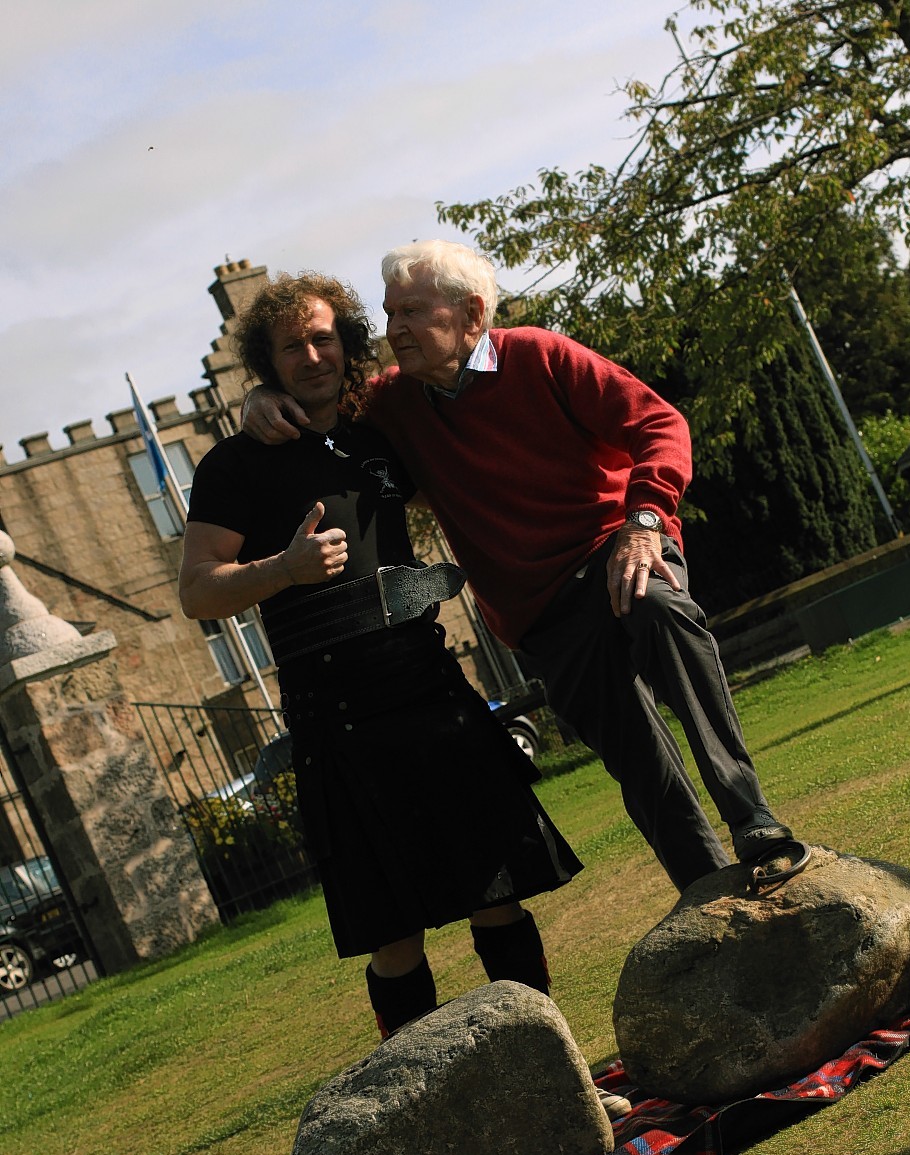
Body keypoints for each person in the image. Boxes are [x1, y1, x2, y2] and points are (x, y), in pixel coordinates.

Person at [242, 240, 806, 895]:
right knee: (638, 759)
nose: (395, 330)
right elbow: (317, 403)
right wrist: (259, 394)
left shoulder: (540, 354)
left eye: (413, 312)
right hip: (540, 611)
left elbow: (661, 425)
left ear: (472, 314)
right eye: (390, 313)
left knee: (661, 611)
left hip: (616, 551)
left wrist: (645, 520)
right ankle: (713, 897)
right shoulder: (392, 404)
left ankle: (751, 816)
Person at [179, 273, 609, 1095]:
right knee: (395, 933)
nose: (311, 354)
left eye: (322, 337)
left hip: (429, 688)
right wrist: (283, 568)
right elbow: (198, 590)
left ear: (345, 339)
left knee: (501, 896)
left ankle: (560, 1083)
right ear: (264, 365)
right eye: (290, 346)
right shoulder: (236, 464)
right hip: (337, 719)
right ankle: (435, 1117)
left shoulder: (382, 429)